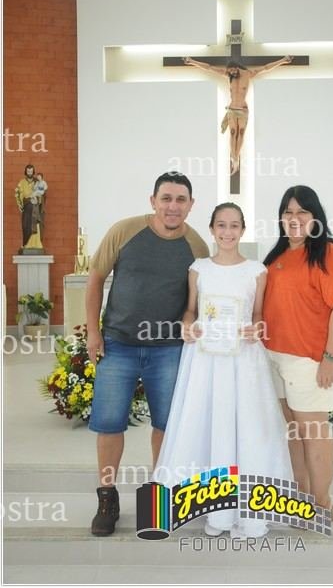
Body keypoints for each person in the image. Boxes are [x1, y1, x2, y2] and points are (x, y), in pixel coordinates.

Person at [153, 202, 292, 539]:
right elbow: (190, 310)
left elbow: (258, 315)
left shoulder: (257, 271)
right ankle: (210, 506)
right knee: (204, 422)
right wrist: (188, 325)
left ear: (242, 230)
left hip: (243, 358)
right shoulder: (198, 268)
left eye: (234, 226)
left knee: (247, 426)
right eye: (221, 225)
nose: (227, 232)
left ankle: (247, 506)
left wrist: (256, 328)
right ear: (212, 229)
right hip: (205, 358)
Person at [86, 172, 209, 536]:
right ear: (153, 201)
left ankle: (158, 498)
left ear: (191, 204)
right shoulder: (124, 231)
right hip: (118, 345)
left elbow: (199, 302)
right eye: (166, 198)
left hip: (168, 350)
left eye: (181, 199)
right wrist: (93, 331)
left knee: (166, 426)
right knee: (109, 424)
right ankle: (107, 498)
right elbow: (95, 279)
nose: (173, 206)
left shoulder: (197, 247)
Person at [262, 185, 333, 519]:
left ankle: (323, 504)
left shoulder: (327, 254)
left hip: (311, 358)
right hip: (276, 358)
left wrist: (330, 358)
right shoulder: (277, 256)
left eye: (302, 211)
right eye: (288, 212)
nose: (294, 218)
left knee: (313, 433)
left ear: (315, 217)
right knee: (294, 432)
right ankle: (302, 500)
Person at [183, 56, 293, 174]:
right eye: (230, 71)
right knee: (232, 132)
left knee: (240, 133)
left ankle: (236, 158)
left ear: (237, 67)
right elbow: (209, 68)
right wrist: (191, 61)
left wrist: (283, 60)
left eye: (233, 70)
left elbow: (266, 68)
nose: (231, 73)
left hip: (242, 110)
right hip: (232, 109)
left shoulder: (248, 74)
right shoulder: (228, 74)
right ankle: (234, 159)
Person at [14, 164, 43, 250]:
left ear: (33, 172)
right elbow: (17, 193)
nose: (29, 173)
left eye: (31, 171)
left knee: (35, 225)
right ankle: (26, 244)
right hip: (26, 206)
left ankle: (36, 245)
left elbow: (41, 193)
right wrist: (20, 205)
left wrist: (38, 199)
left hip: (35, 207)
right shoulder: (22, 182)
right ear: (26, 172)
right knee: (25, 225)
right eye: (28, 171)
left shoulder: (37, 182)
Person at [30, 173, 48, 241]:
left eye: (39, 177)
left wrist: (42, 190)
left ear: (42, 177)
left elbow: (45, 188)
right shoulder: (37, 183)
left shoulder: (43, 182)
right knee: (33, 195)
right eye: (38, 177)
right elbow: (34, 188)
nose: (38, 178)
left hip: (40, 195)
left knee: (39, 215)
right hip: (36, 199)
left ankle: (38, 219)